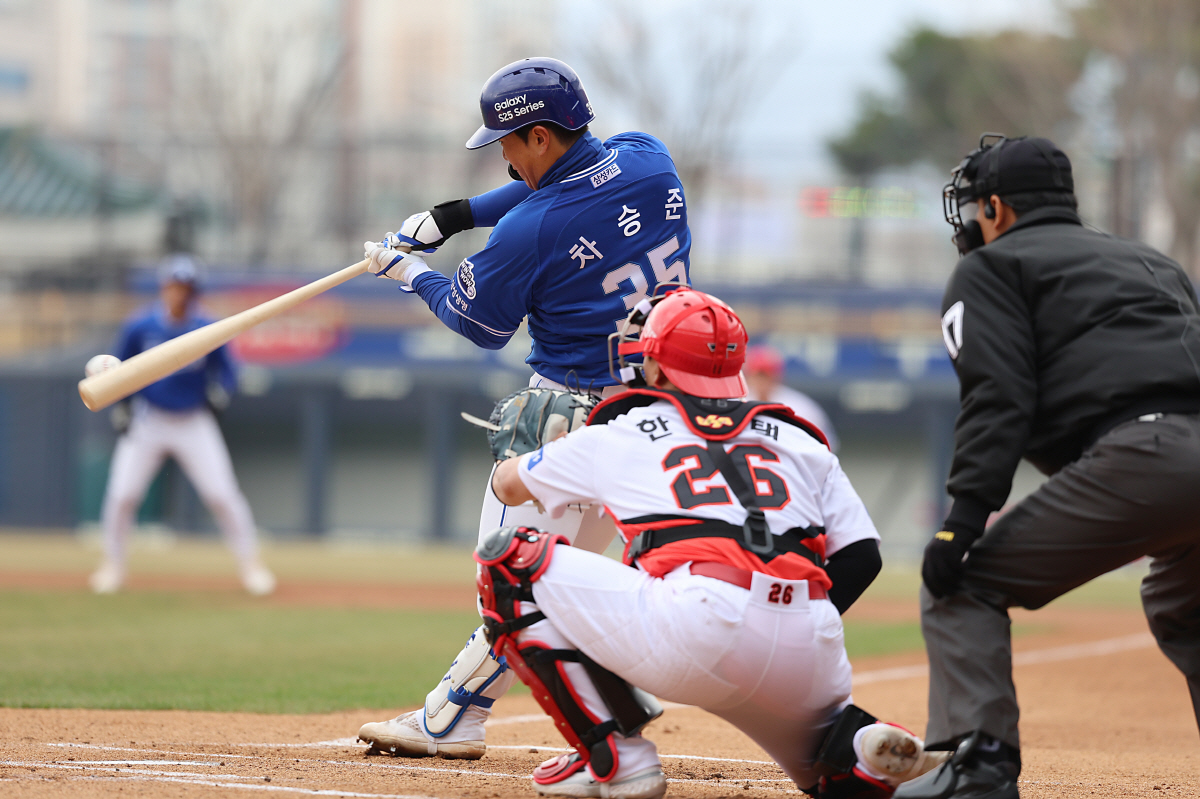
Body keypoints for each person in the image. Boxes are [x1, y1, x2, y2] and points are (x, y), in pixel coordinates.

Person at [479, 287, 945, 798]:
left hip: (696, 628)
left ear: (656, 366)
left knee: (510, 558)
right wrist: (783, 620)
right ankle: (854, 753)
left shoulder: (622, 430)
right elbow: (862, 558)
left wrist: (534, 445)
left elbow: (508, 487)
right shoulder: (799, 436)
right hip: (809, 642)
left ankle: (616, 754)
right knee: (827, 781)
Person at [356, 56, 693, 758]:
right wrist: (456, 217)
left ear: (540, 135)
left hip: (571, 420)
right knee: (568, 582)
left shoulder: (528, 230)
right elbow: (571, 187)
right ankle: (493, 706)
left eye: (510, 141)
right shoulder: (649, 158)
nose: (503, 157)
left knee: (511, 579)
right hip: (661, 413)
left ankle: (456, 717)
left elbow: (475, 324)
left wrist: (410, 270)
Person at [894, 135, 1200, 799]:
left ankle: (978, 766)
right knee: (1186, 604)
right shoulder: (1154, 262)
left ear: (997, 209)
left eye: (976, 208)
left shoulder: (991, 268)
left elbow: (998, 395)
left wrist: (963, 520)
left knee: (963, 584)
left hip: (1147, 454)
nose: (973, 221)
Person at [89, 255, 274, 597]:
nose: (179, 294)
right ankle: (112, 566)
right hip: (149, 419)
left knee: (221, 495)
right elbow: (118, 370)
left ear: (195, 292)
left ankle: (251, 566)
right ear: (164, 288)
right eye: (174, 286)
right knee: (122, 495)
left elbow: (228, 371)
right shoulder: (140, 327)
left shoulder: (207, 327)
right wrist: (123, 407)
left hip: (193, 421)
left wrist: (221, 393)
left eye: (186, 287)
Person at [744, 343, 839, 451]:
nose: (761, 381)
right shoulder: (738, 404)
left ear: (777, 376)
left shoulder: (801, 407)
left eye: (766, 375)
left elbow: (826, 446)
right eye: (757, 375)